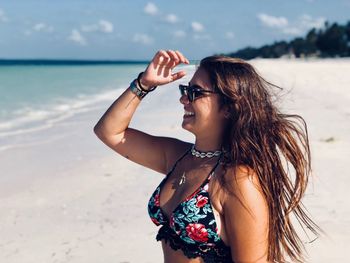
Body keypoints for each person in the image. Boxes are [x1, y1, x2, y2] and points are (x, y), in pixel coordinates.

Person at [94, 50, 320, 263]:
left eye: (196, 93)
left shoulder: (238, 180)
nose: (184, 100)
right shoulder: (179, 157)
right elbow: (109, 132)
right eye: (185, 90)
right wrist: (143, 85)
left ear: (229, 108)